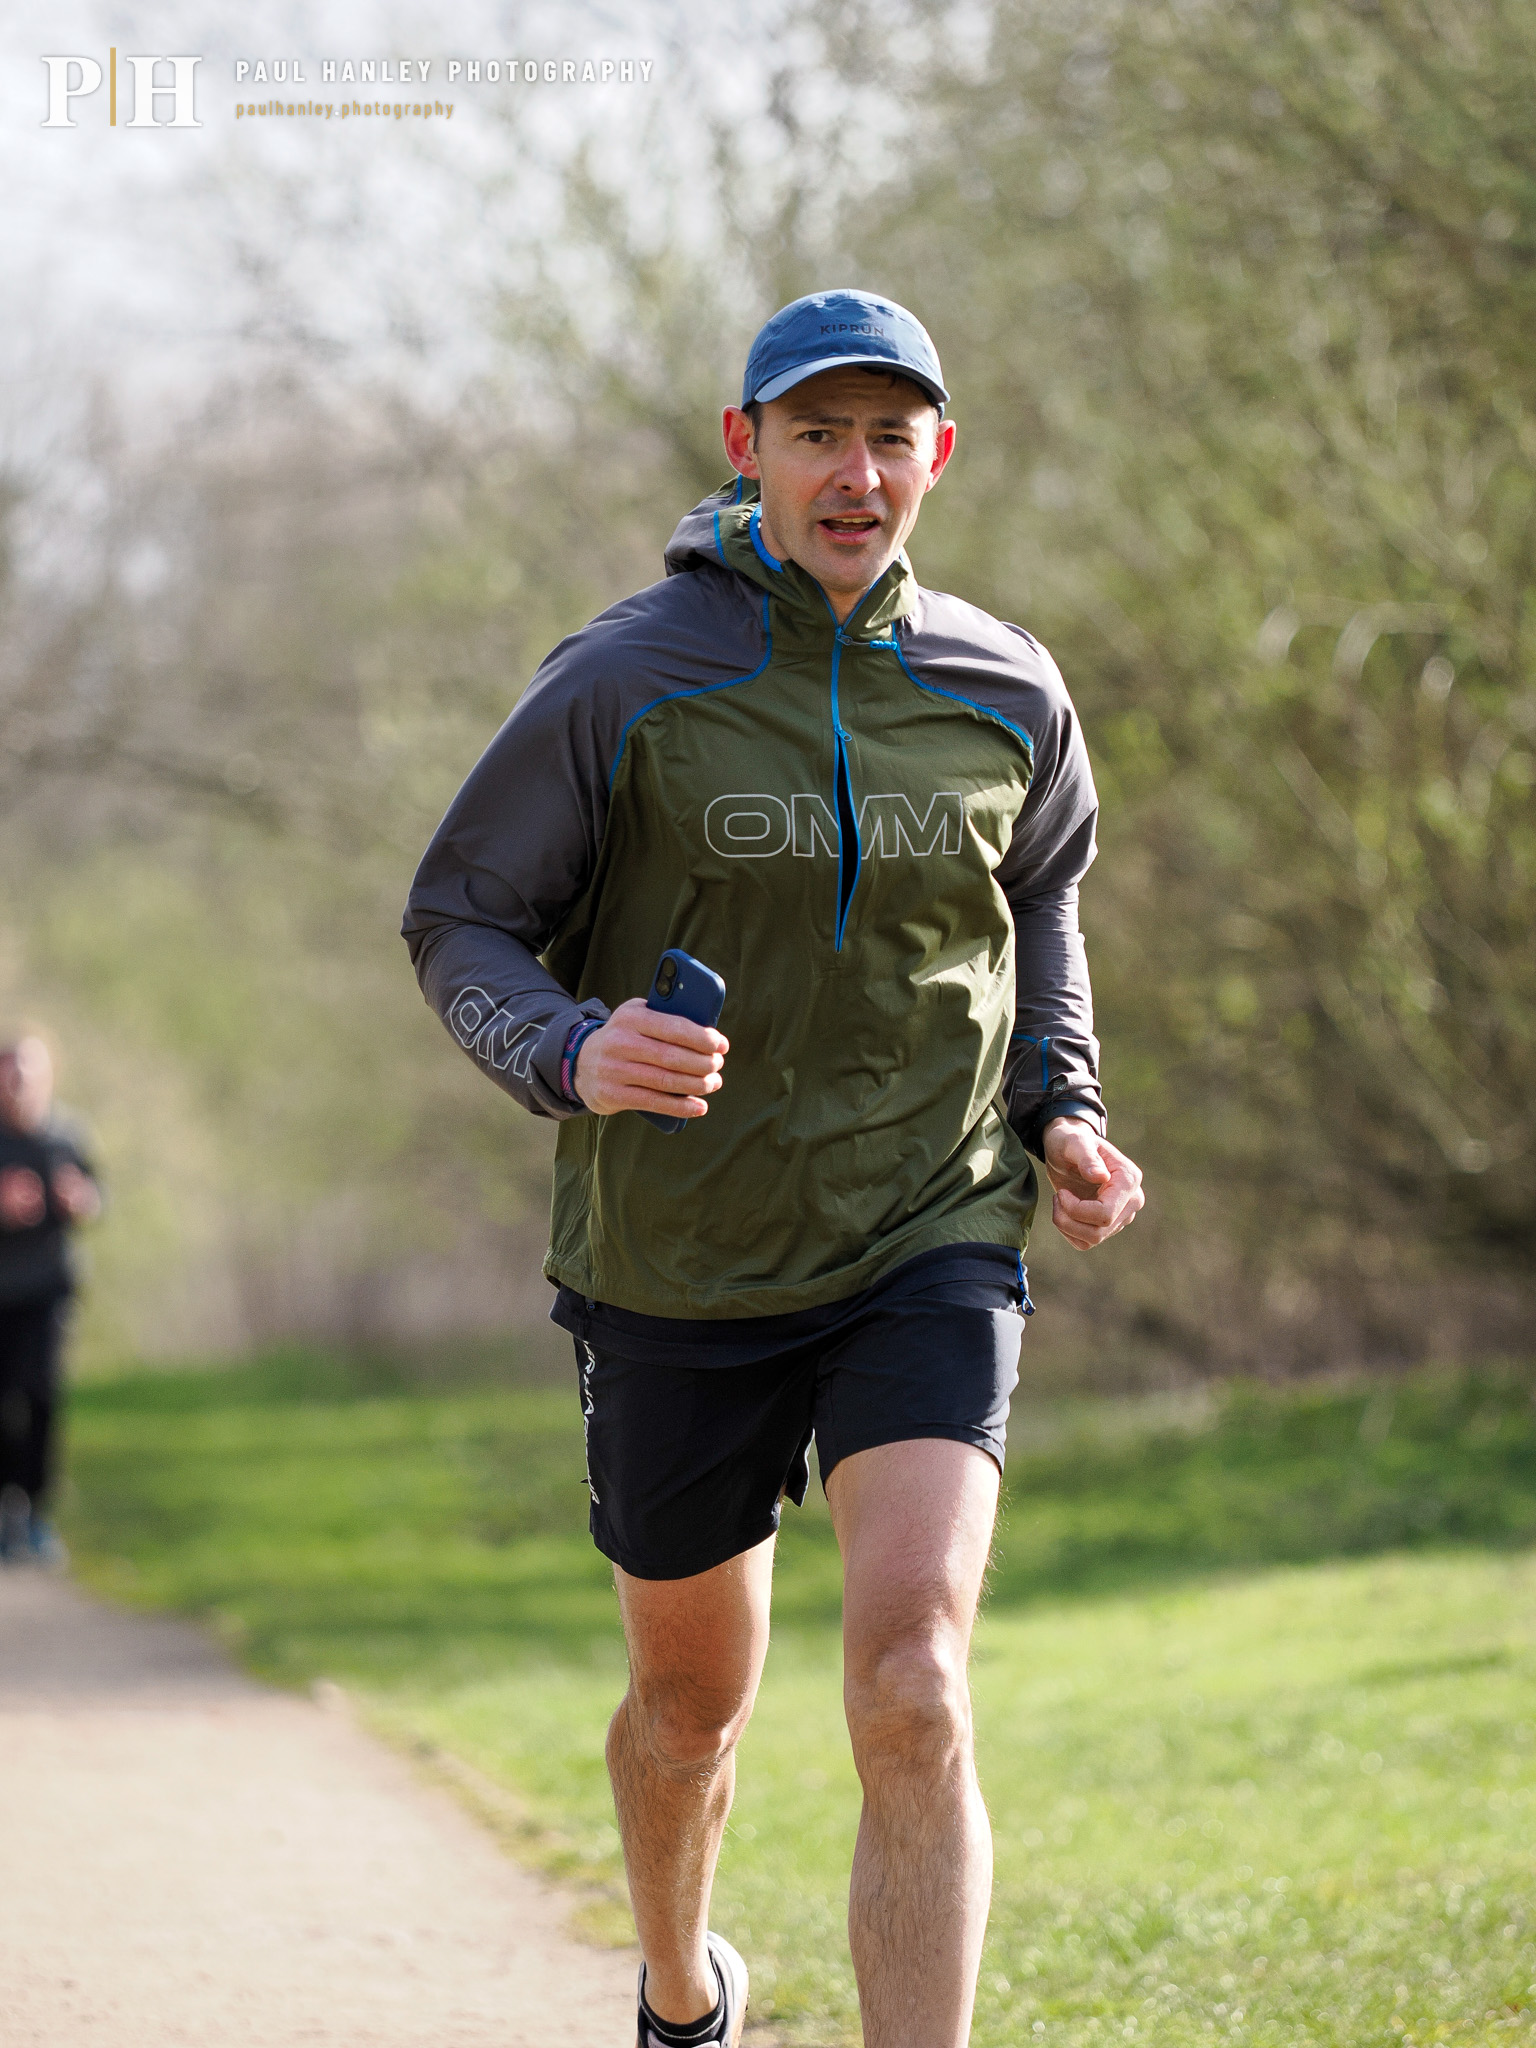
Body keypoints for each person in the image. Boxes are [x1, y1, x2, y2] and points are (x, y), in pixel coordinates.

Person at [403, 288, 1144, 2048]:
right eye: (819, 433)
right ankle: (679, 1982)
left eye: (893, 437)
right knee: (688, 1708)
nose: (858, 472)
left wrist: (1064, 1105)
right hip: (681, 1255)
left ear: (937, 459)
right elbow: (460, 919)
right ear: (747, 451)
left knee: (912, 1682)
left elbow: (1038, 897)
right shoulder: (623, 679)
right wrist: (570, 1047)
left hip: (930, 1221)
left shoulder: (1000, 681)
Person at [0, 1034, 100, 1565]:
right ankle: (4, 1515)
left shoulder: (67, 1135)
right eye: (11, 1072)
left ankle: (35, 1517)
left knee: (40, 1400)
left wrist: (78, 1201)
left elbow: (95, 1199)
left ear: (48, 1078)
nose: (19, 1083)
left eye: (29, 1072)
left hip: (46, 1294)